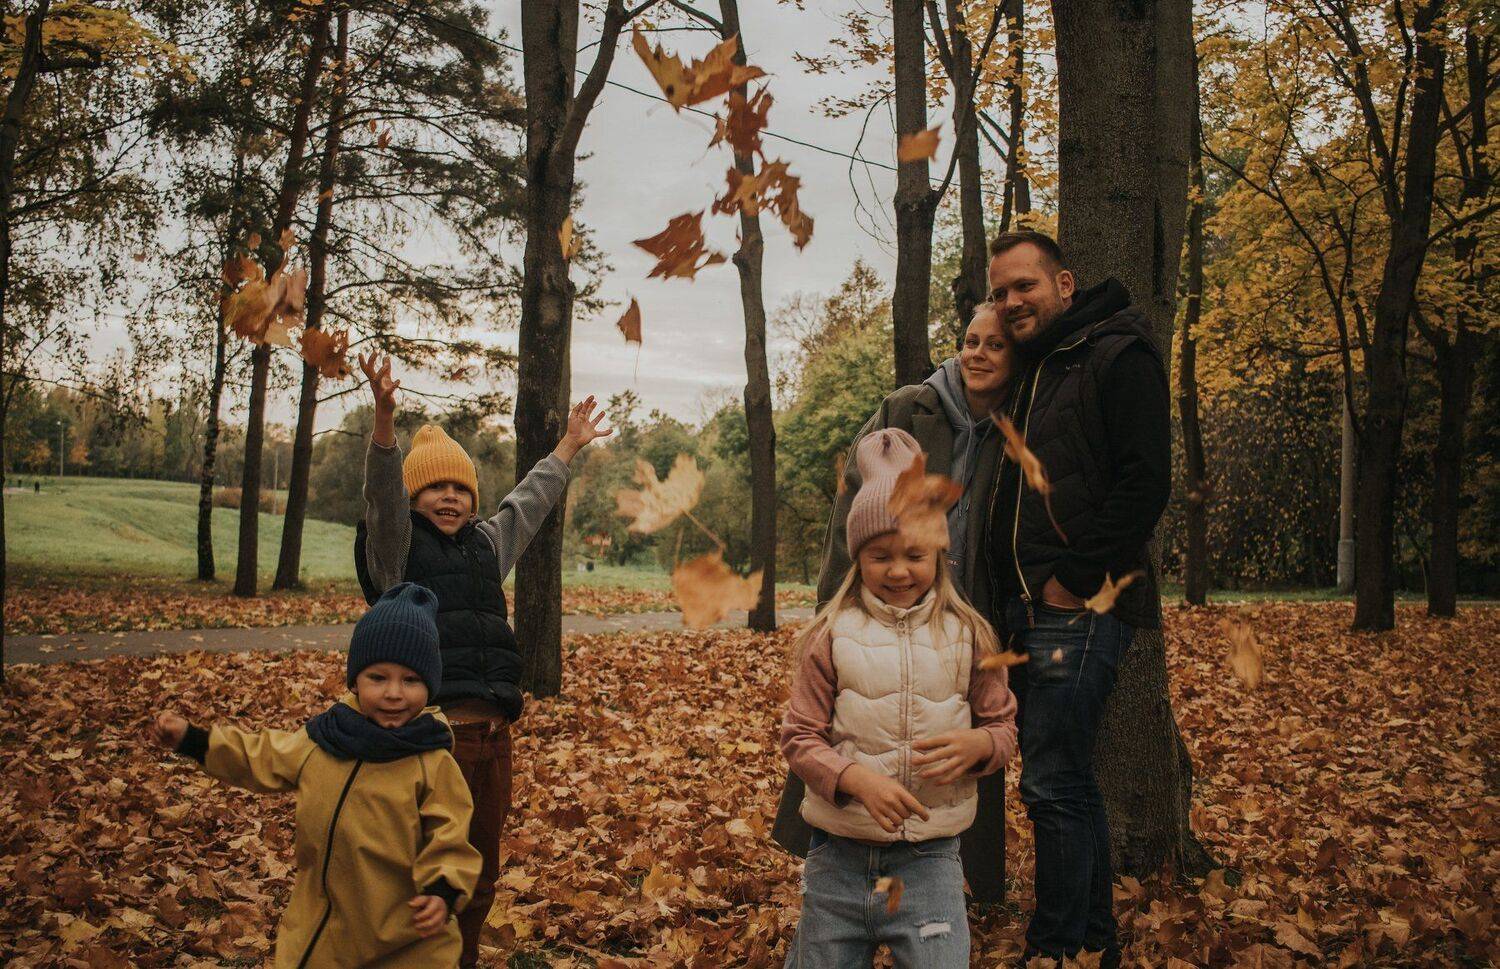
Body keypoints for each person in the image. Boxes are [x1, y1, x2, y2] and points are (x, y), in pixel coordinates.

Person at [354, 352, 612, 966]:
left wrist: (569, 446)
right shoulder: (398, 551)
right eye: (434, 488)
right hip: (431, 742)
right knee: (426, 876)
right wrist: (384, 425)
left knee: (479, 874)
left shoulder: (485, 546)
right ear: (415, 498)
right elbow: (382, 500)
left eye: (460, 489)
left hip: (493, 742)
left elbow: (528, 502)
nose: (449, 497)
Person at [772, 302, 1017, 904]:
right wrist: (838, 600)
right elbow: (852, 505)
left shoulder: (1021, 420)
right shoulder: (911, 407)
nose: (978, 354)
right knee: (857, 715)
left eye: (995, 345)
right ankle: (834, 858)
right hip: (883, 582)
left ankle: (960, 882)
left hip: (964, 594)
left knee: (952, 731)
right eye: (970, 341)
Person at [984, 229, 1171, 967]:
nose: (1011, 302)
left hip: (1076, 607)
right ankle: (1091, 944)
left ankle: (1055, 949)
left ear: (1064, 284)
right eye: (1000, 292)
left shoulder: (1116, 354)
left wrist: (1074, 577)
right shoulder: (1040, 366)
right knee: (1065, 779)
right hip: (1029, 608)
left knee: (1052, 780)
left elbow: (1144, 482)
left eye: (1024, 285)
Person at [148, 582, 483, 967]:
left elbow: (451, 832)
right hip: (323, 932)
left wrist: (442, 889)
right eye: (378, 677)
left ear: (430, 686)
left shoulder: (431, 761)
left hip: (407, 939)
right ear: (355, 681)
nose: (394, 693)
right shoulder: (324, 741)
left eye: (411, 680)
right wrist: (193, 740)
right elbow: (261, 756)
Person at [780, 428, 1017, 968]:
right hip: (838, 857)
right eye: (880, 555)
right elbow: (799, 737)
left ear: (939, 554)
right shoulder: (830, 635)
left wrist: (981, 744)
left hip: (930, 861)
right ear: (857, 557)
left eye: (914, 554)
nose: (898, 570)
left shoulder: (971, 635)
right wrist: (854, 779)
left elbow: (1003, 728)